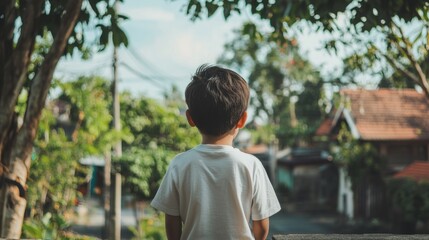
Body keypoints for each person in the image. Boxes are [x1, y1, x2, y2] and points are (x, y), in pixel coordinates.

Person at [151, 64, 281, 240]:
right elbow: (262, 226)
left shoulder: (178, 164)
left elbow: (171, 222)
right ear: (242, 120)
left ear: (190, 118)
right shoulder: (252, 165)